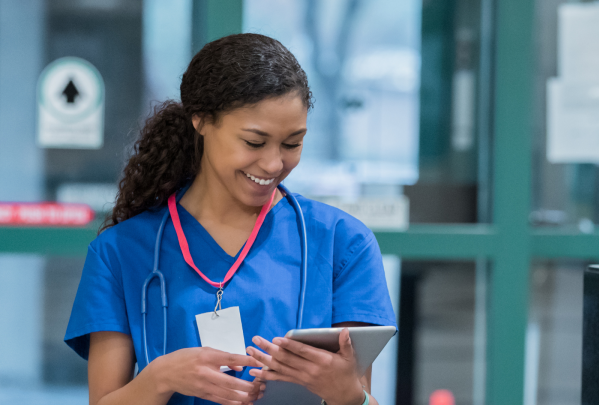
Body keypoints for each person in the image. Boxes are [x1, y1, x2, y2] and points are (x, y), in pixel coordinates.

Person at [65, 33, 396, 405]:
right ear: (201, 120)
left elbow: (362, 394)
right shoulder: (121, 251)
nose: (273, 164)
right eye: (254, 142)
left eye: (292, 143)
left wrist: (348, 396)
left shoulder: (343, 243)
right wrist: (160, 378)